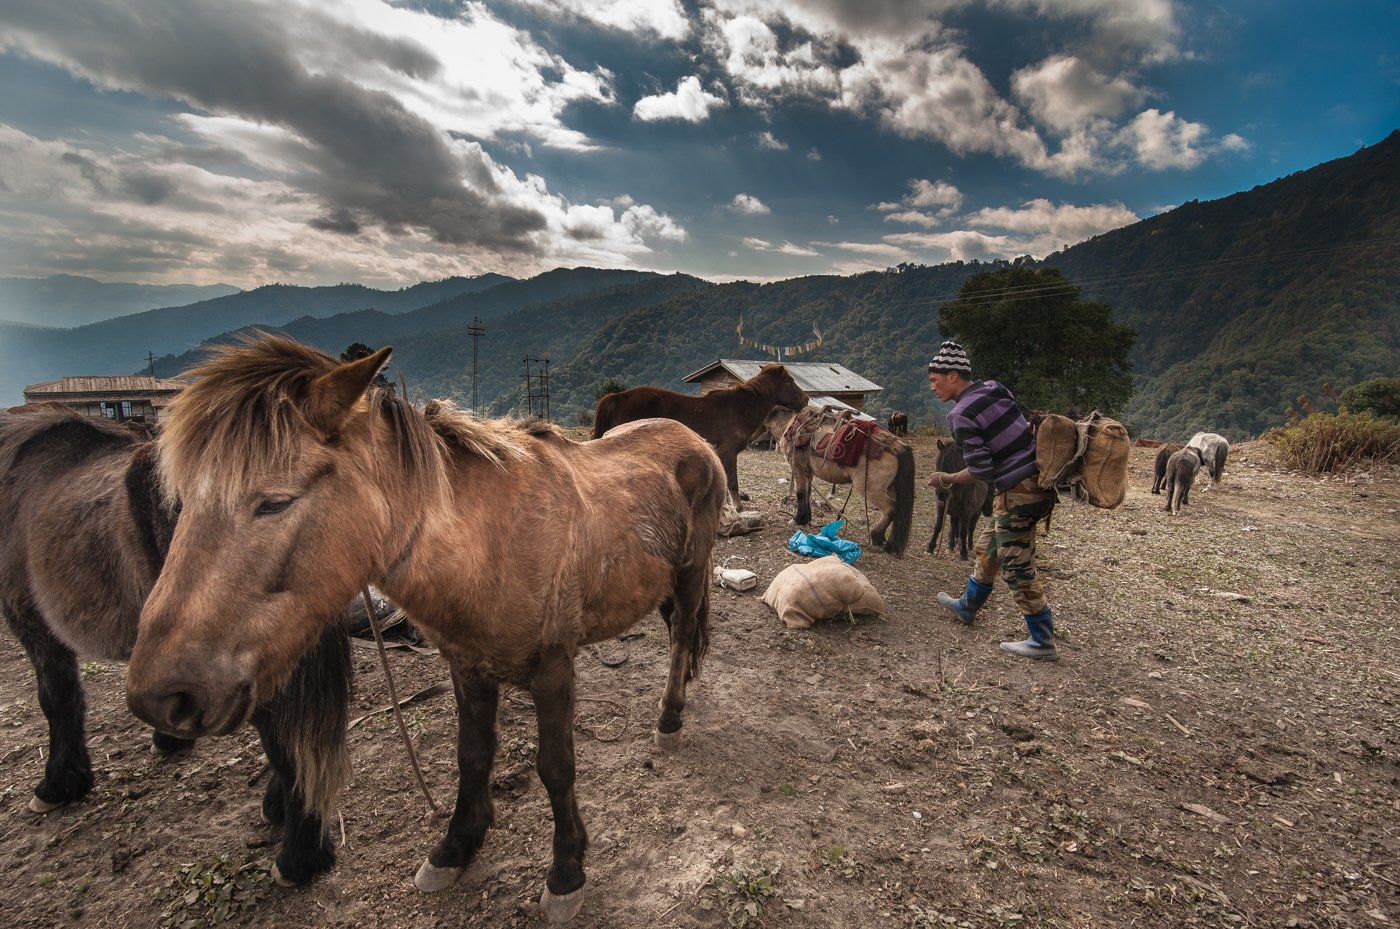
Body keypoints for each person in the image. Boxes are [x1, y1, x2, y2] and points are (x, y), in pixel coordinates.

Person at [926, 340, 1058, 661]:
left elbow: (981, 469)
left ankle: (1042, 639)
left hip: (1018, 490)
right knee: (989, 546)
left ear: (953, 376)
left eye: (935, 380)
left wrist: (945, 478)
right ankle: (968, 605)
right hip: (1038, 483)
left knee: (1015, 563)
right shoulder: (994, 387)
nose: (932, 387)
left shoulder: (959, 415)